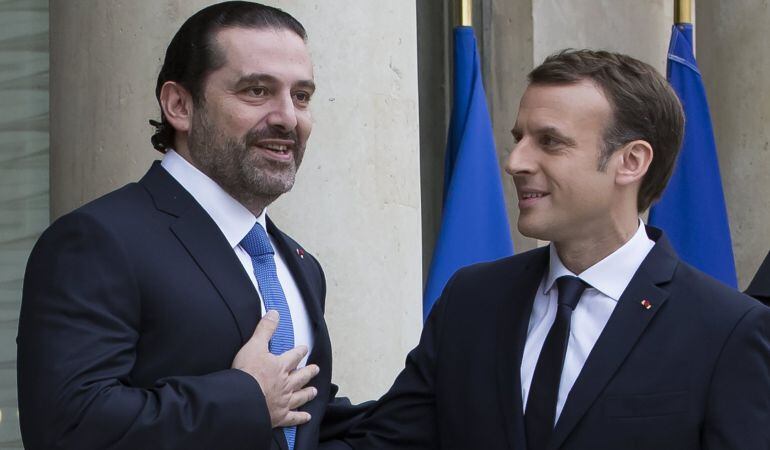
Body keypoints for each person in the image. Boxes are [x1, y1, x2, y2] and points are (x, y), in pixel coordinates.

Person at [342, 50, 770, 450]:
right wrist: (273, 411)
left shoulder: (728, 330)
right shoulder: (470, 300)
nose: (515, 162)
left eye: (549, 141)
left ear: (632, 161)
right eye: (519, 138)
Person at [17, 2, 366, 449]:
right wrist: (245, 398)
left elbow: (302, 421)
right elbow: (67, 427)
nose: (288, 118)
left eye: (301, 96)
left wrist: (447, 376)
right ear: (179, 105)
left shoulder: (301, 265)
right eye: (257, 91)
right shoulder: (98, 241)